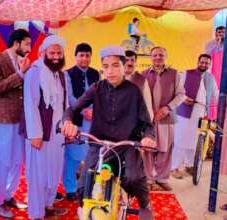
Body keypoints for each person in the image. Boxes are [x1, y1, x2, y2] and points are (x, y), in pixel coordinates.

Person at [61, 45, 156, 220]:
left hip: (125, 146)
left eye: (115, 65)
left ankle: (145, 204)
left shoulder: (134, 91)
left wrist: (148, 137)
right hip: (99, 146)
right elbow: (72, 109)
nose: (110, 71)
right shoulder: (96, 88)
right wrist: (67, 121)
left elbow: (147, 124)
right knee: (83, 187)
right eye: (105, 66)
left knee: (134, 178)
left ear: (123, 66)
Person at [22, 35, 68, 220]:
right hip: (39, 135)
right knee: (38, 175)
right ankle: (36, 214)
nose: (56, 56)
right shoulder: (35, 71)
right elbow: (30, 104)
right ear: (44, 53)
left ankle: (48, 206)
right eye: (52, 52)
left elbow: (64, 105)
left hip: (57, 134)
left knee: (54, 171)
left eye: (59, 52)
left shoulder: (61, 74)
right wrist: (34, 134)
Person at [0, 29, 31, 218]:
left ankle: (8, 195)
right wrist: (21, 74)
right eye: (27, 44)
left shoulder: (23, 62)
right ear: (16, 43)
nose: (29, 48)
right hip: (3, 119)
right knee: (0, 162)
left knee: (16, 161)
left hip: (20, 120)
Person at [142, 47, 185, 191]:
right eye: (154, 55)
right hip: (149, 119)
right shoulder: (144, 74)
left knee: (165, 149)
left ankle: (161, 178)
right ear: (150, 57)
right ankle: (148, 178)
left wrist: (167, 108)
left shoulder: (174, 74)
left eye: (161, 55)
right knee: (148, 148)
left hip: (167, 118)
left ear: (166, 57)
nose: (157, 57)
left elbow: (181, 95)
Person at [62, 43, 100, 201]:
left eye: (87, 55)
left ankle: (87, 186)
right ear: (76, 56)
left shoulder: (96, 73)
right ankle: (70, 188)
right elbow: (69, 97)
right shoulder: (67, 74)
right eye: (81, 55)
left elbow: (99, 94)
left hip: (92, 120)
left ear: (91, 57)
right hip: (76, 119)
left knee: (91, 153)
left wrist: (94, 110)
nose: (84, 58)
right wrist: (84, 110)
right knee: (72, 155)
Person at [171, 54, 218, 179]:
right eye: (202, 62)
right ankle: (174, 167)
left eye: (207, 63)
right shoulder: (187, 73)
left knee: (195, 141)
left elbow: (216, 94)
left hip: (201, 114)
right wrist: (185, 98)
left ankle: (190, 165)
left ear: (210, 64)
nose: (204, 65)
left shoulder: (211, 78)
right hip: (185, 113)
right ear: (198, 62)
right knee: (180, 140)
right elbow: (177, 90)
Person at [124, 50, 153, 120]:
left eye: (132, 60)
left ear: (135, 62)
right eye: (126, 60)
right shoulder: (114, 78)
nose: (129, 63)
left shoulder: (142, 80)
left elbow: (147, 103)